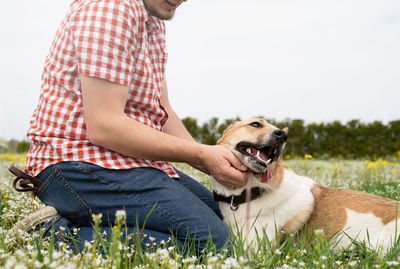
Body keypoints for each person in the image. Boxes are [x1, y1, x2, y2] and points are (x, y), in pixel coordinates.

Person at [16, 0, 248, 253]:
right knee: (215, 243)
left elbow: (162, 111)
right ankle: (53, 237)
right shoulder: (110, 9)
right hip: (76, 165)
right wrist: (202, 154)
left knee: (231, 223)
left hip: (125, 162)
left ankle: (76, 223)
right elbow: (105, 126)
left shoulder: (152, 19)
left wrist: (209, 160)